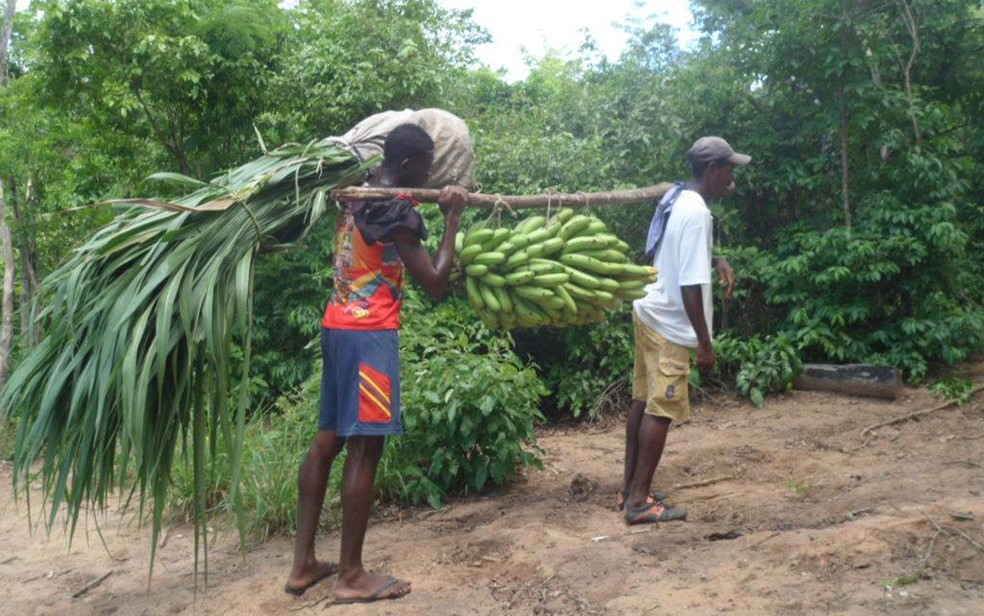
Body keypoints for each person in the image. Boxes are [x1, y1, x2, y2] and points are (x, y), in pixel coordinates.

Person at [285, 123, 467, 602]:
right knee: (366, 449)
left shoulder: (359, 190)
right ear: (408, 165)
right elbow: (435, 282)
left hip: (337, 325)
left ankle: (304, 564)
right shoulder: (394, 210)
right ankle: (350, 575)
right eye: (426, 169)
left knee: (328, 441)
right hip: (370, 338)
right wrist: (451, 219)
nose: (429, 175)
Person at [619, 136, 750, 525]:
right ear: (713, 171)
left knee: (643, 402)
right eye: (729, 168)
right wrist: (705, 343)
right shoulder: (696, 213)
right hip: (671, 324)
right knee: (662, 410)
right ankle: (639, 503)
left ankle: (629, 489)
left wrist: (717, 256)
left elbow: (682, 248)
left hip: (649, 310)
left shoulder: (679, 198)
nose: (733, 175)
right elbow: (690, 286)